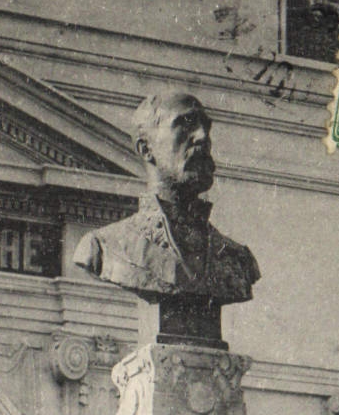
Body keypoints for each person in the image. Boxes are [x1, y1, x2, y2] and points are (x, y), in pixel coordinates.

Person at [73, 91, 259, 308]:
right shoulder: (104, 246)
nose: (203, 137)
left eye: (206, 127)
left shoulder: (237, 258)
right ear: (146, 149)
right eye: (186, 124)